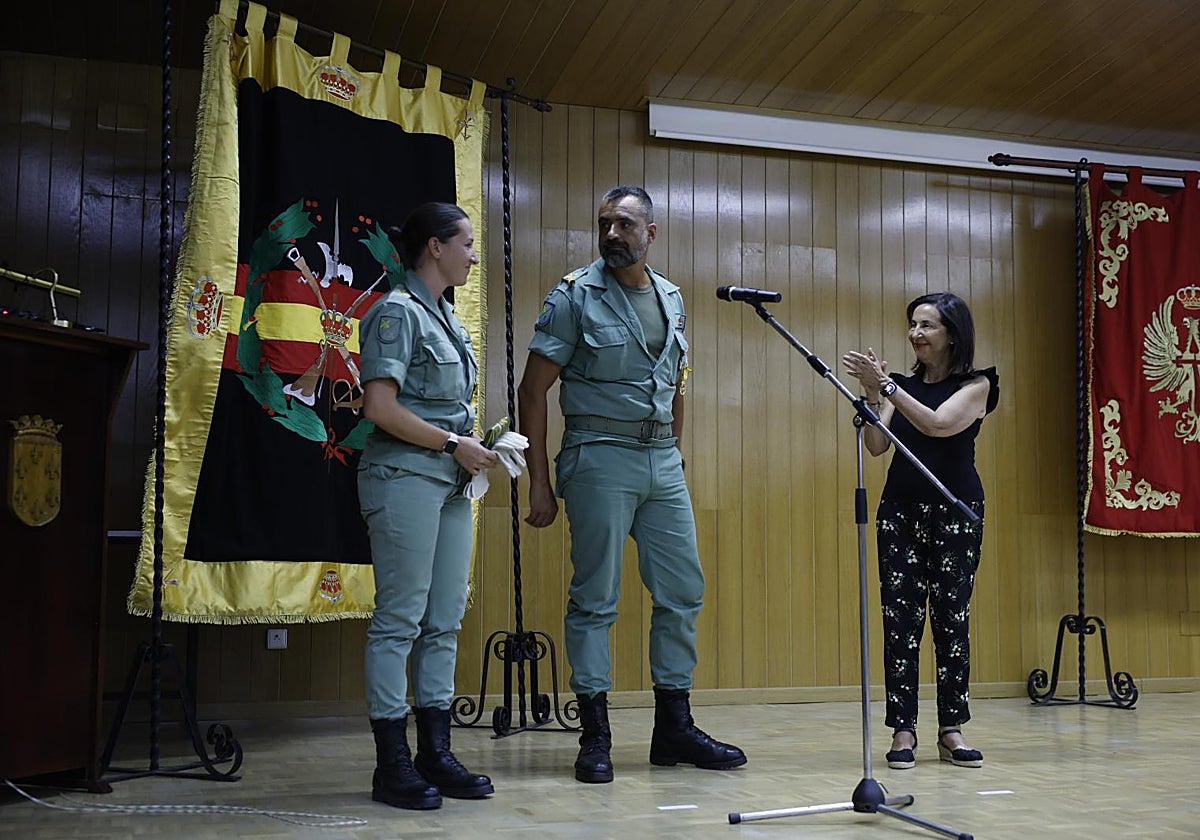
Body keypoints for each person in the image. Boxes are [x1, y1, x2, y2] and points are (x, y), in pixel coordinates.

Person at [517, 185, 746, 784]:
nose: (612, 234)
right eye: (604, 224)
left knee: (683, 590)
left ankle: (673, 725)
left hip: (660, 460)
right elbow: (531, 391)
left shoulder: (670, 296)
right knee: (596, 596)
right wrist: (539, 483)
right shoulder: (575, 296)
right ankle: (595, 734)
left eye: (624, 224)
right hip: (599, 455)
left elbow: (677, 383)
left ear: (651, 232)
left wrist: (676, 449)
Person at [357, 202, 499, 809]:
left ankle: (434, 755)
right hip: (404, 478)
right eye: (466, 243)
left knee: (443, 621)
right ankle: (392, 765)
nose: (473, 254)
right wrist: (451, 443)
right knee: (399, 622)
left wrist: (480, 446)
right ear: (435, 248)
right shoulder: (396, 312)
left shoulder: (446, 317)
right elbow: (380, 409)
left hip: (448, 483)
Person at [841, 292, 999, 770]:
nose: (916, 333)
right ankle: (903, 730)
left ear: (952, 333)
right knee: (900, 623)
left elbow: (936, 424)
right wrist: (874, 395)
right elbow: (873, 446)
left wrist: (887, 388)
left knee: (952, 619)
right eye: (913, 324)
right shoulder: (900, 386)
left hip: (956, 511)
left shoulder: (978, 384)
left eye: (927, 325)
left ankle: (951, 728)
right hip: (900, 512)